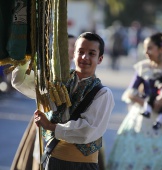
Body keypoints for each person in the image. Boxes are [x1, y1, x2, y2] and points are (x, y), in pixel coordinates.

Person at [11, 32, 115, 170]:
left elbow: (86, 131)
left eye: (91, 53)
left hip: (81, 165)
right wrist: (27, 55)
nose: (85, 57)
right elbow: (21, 82)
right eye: (81, 51)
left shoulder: (103, 93)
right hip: (53, 160)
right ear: (74, 54)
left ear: (100, 59)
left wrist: (51, 126)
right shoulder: (57, 83)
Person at [107, 32, 162, 170]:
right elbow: (131, 92)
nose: (146, 52)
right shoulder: (143, 67)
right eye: (145, 48)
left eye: (150, 48)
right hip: (142, 117)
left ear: (161, 49)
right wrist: (147, 103)